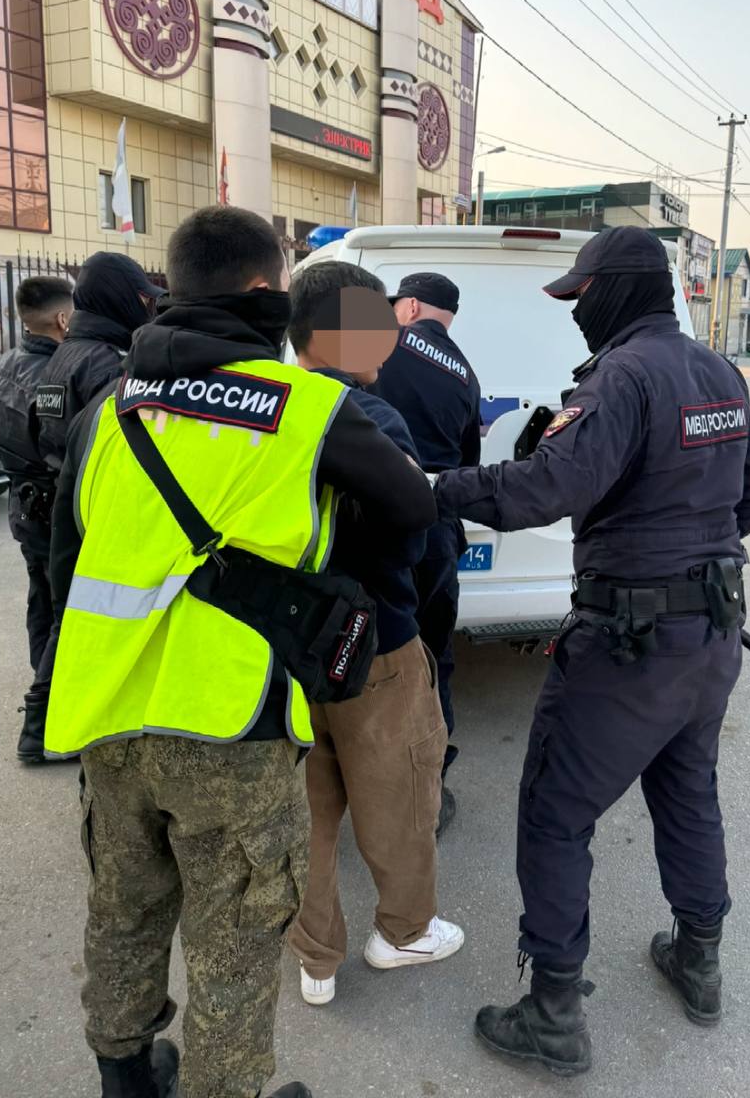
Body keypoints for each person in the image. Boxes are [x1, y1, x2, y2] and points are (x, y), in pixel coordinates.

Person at [43, 206, 437, 1098]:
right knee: (234, 937)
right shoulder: (309, 410)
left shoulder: (110, 408)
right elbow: (412, 511)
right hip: (231, 719)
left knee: (124, 909)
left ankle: (124, 1076)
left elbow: (67, 565)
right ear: (264, 288)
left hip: (106, 714)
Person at [433, 227, 750, 1077]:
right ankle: (698, 960)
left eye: (580, 295)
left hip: (629, 644)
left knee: (554, 813)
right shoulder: (715, 371)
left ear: (617, 291)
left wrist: (436, 487)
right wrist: (692, 556)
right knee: (687, 790)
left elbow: (545, 487)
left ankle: (552, 1014)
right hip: (710, 632)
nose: (575, 311)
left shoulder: (621, 377)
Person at [286, 261, 464, 1009]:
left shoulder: (263, 410)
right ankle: (403, 932)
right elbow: (413, 543)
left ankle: (315, 958)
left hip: (283, 646)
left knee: (307, 807)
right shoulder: (372, 419)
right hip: (376, 641)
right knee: (400, 792)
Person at [16, 251, 164, 763]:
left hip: (53, 504)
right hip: (84, 511)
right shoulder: (104, 362)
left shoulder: (62, 355)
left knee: (55, 613)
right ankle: (42, 728)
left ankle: (52, 718)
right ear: (119, 299)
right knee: (77, 622)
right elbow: (121, 440)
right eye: (141, 297)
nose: (147, 306)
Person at [373, 272, 481, 834]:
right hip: (436, 526)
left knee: (369, 655)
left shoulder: (378, 343)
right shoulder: (466, 373)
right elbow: (467, 464)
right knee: (433, 656)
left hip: (373, 519)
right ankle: (429, 785)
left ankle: (364, 784)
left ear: (410, 306)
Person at [0, 276, 74, 675]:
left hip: (21, 504)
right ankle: (46, 695)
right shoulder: (54, 375)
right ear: (63, 319)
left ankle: (40, 678)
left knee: (40, 597)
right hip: (51, 508)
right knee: (62, 610)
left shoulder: (2, 364)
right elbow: (62, 451)